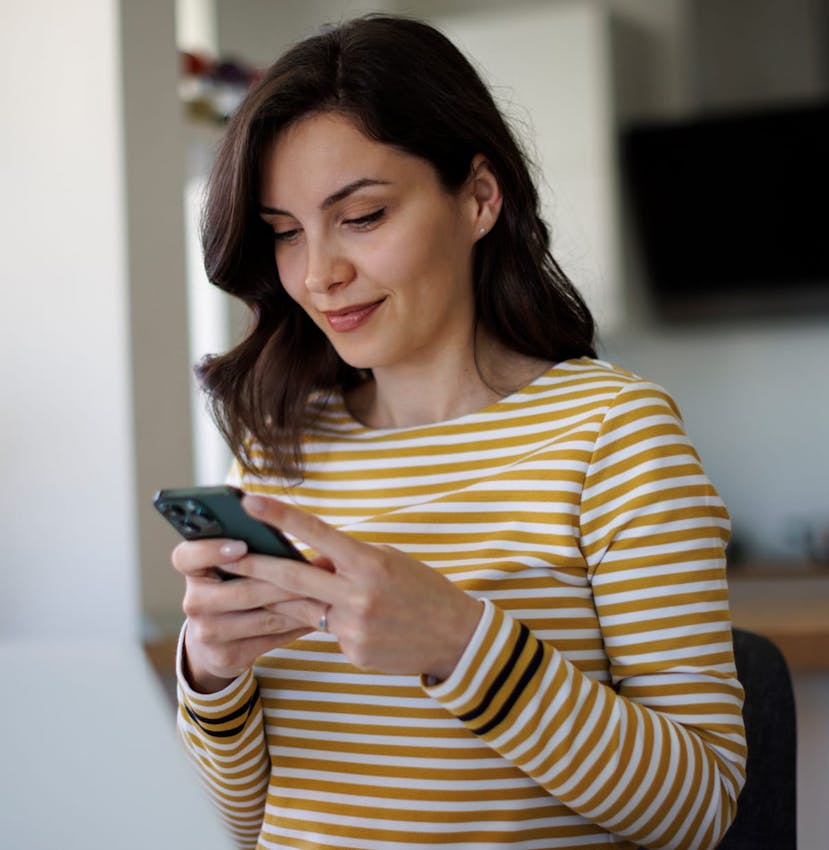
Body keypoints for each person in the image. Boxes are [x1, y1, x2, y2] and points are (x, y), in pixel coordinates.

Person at [171, 14, 746, 850]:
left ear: (479, 197)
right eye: (286, 232)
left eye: (363, 216)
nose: (320, 273)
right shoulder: (277, 449)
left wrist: (459, 642)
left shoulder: (612, 433)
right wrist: (211, 674)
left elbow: (697, 811)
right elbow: (235, 822)